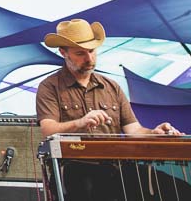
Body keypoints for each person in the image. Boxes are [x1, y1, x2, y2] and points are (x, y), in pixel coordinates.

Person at [36, 18, 187, 200]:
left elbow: (134, 130)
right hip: (74, 168)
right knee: (90, 185)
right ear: (63, 52)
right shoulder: (49, 86)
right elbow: (47, 129)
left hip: (117, 168)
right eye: (80, 53)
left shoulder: (112, 86)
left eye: (91, 51)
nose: (89, 58)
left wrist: (154, 133)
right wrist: (80, 122)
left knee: (180, 190)